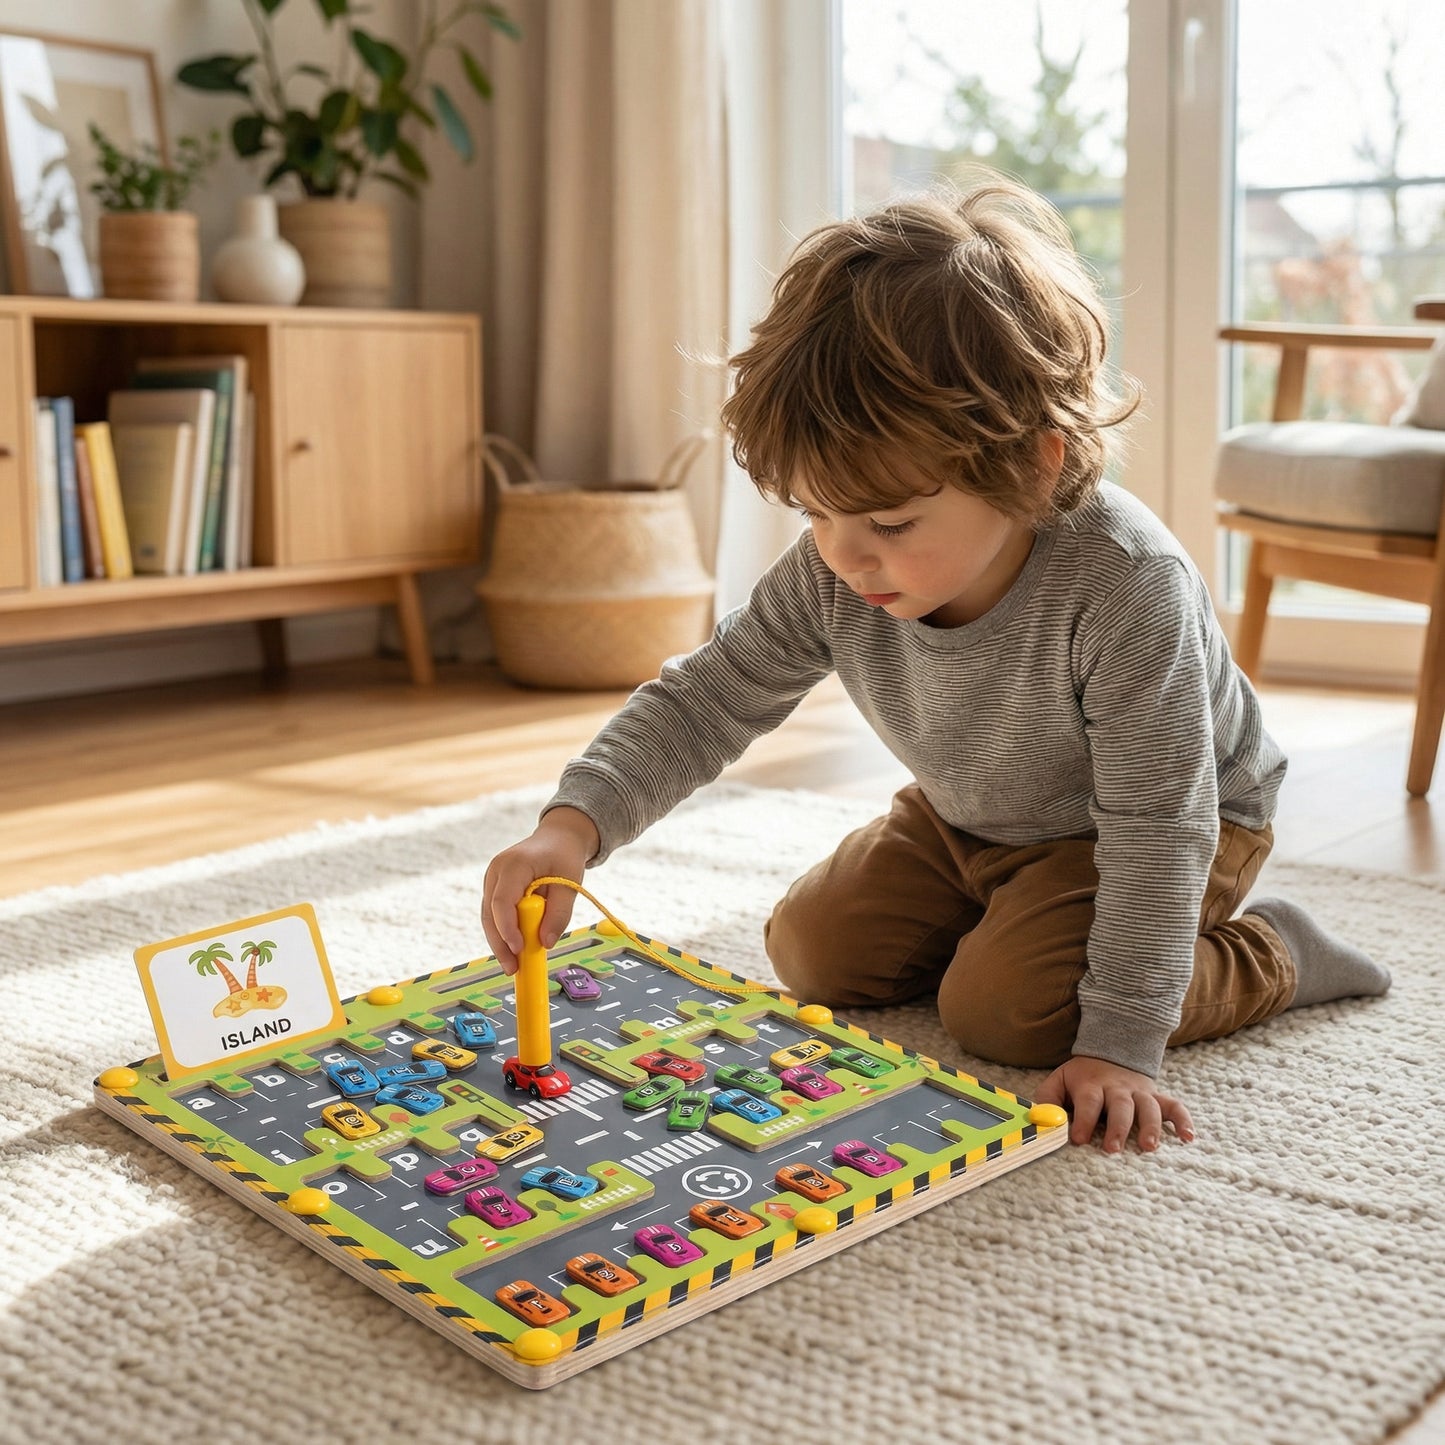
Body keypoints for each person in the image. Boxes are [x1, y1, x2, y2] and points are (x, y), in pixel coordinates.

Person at [481, 177, 1391, 1153]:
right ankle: (1014, 913)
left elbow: (1157, 822)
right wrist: (573, 825)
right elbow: (706, 698)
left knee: (1005, 1011)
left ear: (1034, 465)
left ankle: (1272, 951)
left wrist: (1123, 1040)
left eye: (888, 522)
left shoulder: (1127, 584)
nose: (843, 553)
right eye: (812, 513)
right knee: (811, 949)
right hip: (974, 811)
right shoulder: (839, 564)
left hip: (1172, 820)